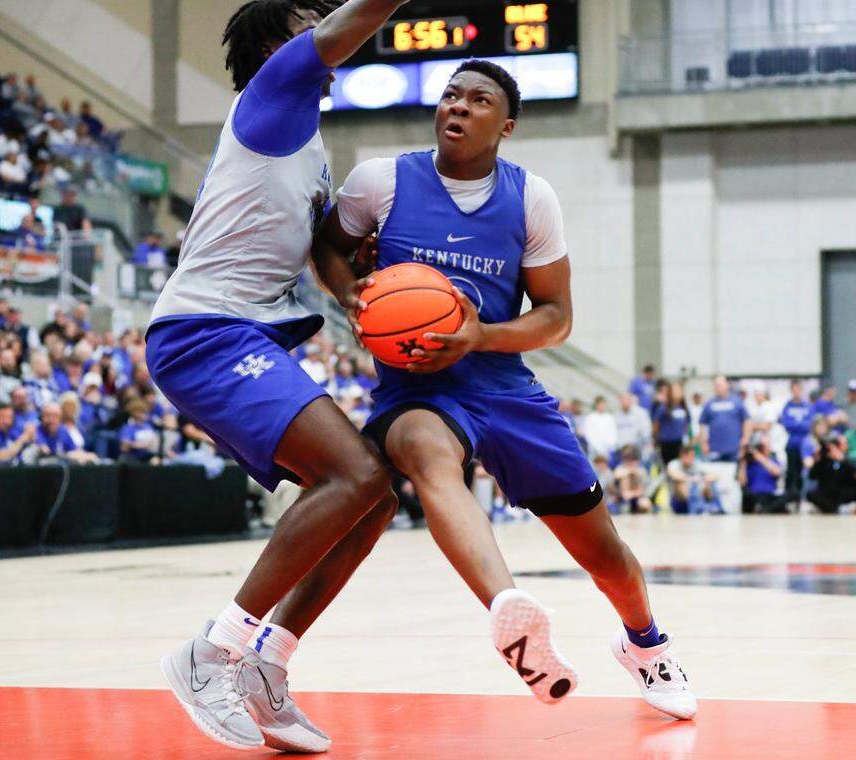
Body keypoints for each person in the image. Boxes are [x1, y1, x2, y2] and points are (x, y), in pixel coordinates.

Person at [313, 59, 696, 723]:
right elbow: (327, 248)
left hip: (505, 388)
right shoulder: (381, 181)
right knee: (429, 456)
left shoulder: (530, 198)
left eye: (478, 99)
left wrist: (479, 336)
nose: (458, 106)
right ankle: (509, 614)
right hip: (417, 390)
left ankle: (645, 643)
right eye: (450, 95)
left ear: (507, 125)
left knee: (603, 553)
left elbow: (556, 317)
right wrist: (350, 293)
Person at [148, 2, 412, 752]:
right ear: (273, 46)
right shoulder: (273, 89)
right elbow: (349, 23)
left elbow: (315, 248)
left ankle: (268, 664)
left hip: (236, 332)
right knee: (355, 475)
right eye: (307, 22)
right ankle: (211, 654)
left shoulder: (304, 138)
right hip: (203, 332)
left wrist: (358, 284)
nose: (324, 27)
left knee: (372, 499)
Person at [698, 375, 749, 462]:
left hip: (734, 448)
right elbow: (703, 424)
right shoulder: (709, 404)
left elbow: (746, 421)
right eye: (716, 385)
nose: (718, 387)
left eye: (720, 385)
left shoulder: (737, 401)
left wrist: (745, 439)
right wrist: (704, 443)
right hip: (714, 448)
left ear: (727, 385)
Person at [779, 380, 813, 502]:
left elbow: (810, 424)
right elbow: (786, 424)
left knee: (803, 473)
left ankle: (801, 498)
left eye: (798, 389)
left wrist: (797, 425)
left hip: (805, 446)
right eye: (794, 390)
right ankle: (789, 498)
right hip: (792, 444)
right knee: (791, 472)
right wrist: (800, 425)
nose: (796, 392)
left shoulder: (807, 406)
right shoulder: (787, 406)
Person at [666, 445, 722, 514]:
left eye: (693, 456)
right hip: (679, 501)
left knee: (709, 483)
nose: (692, 458)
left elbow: (715, 476)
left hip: (696, 496)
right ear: (682, 456)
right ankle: (700, 508)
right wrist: (691, 479)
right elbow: (673, 474)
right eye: (690, 456)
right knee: (681, 483)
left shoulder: (696, 464)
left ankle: (714, 508)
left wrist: (704, 479)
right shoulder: (674, 464)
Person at [738, 433, 785, 514]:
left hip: (770, 495)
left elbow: (777, 472)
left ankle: (764, 509)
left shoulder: (773, 460)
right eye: (761, 445)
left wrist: (758, 456)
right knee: (747, 497)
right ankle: (764, 509)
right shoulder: (749, 462)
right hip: (755, 495)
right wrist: (743, 461)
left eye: (765, 445)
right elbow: (742, 482)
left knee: (789, 495)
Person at [652, 380, 690, 465]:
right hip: (666, 443)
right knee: (668, 466)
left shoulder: (683, 408)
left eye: (679, 391)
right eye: (675, 391)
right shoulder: (663, 408)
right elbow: (656, 424)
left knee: (679, 465)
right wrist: (655, 439)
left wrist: (686, 437)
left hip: (679, 443)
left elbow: (687, 424)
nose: (678, 393)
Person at [614, 391, 652, 461]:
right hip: (621, 452)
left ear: (630, 400)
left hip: (638, 451)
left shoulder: (641, 413)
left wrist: (632, 447)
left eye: (627, 399)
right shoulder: (616, 415)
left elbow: (646, 434)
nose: (625, 402)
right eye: (622, 400)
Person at [613, 445, 652, 513]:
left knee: (645, 504)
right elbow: (616, 475)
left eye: (632, 459)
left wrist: (632, 494)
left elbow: (644, 489)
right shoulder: (620, 469)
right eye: (628, 459)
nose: (630, 462)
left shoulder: (641, 471)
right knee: (625, 477)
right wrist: (629, 472)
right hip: (623, 498)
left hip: (638, 497)